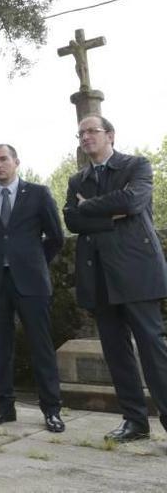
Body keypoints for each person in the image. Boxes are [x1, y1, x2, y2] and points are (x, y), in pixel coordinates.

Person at [64, 114, 167, 443]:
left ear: (110, 135)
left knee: (153, 350)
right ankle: (135, 421)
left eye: (92, 131)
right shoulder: (76, 180)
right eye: (80, 134)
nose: (85, 137)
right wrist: (111, 215)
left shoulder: (137, 166)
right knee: (116, 352)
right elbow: (72, 220)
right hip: (99, 276)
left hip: (137, 273)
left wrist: (90, 208)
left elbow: (132, 201)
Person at [0, 144, 65, 433]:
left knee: (41, 346)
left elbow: (56, 237)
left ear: (16, 162)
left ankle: (51, 409)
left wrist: (34, 261)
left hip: (32, 282)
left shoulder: (38, 194)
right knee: (0, 346)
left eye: (3, 159)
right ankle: (4, 406)